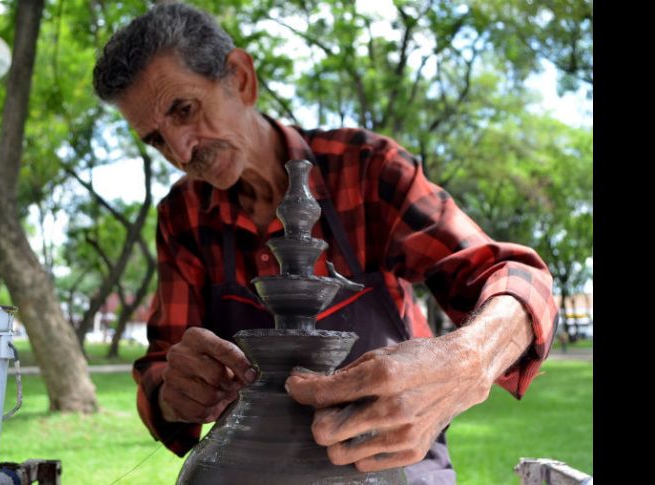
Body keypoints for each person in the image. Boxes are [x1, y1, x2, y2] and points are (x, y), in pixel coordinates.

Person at [92, 3, 557, 483]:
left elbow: (518, 279)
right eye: (156, 141)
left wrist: (468, 360)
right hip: (254, 467)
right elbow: (162, 368)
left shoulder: (368, 168)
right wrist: (177, 389)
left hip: (394, 463)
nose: (181, 151)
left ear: (241, 78)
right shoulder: (182, 214)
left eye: (184, 110)